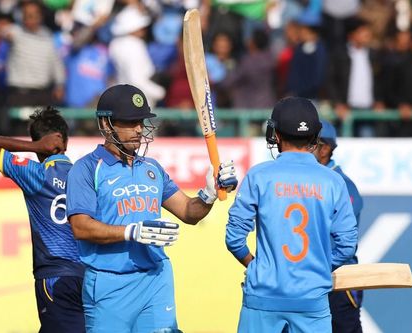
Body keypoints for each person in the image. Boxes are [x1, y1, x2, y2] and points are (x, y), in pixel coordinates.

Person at [66, 84, 238, 332]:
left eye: (140, 121)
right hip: (109, 283)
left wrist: (208, 194)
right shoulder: (86, 169)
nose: (138, 129)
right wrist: (131, 232)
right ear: (106, 124)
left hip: (156, 279)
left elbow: (189, 212)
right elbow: (81, 227)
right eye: (129, 122)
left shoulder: (152, 168)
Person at [225, 97, 358, 333]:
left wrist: (256, 266)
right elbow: (347, 246)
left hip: (263, 296)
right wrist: (319, 268)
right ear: (315, 136)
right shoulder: (333, 181)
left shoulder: (259, 176)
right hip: (312, 299)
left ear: (274, 135)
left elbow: (234, 238)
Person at [0, 107, 85, 333]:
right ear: (66, 142)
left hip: (55, 278)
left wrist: (34, 147)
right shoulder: (86, 176)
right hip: (90, 278)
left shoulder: (36, 175)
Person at [313, 120, 364, 333]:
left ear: (325, 149)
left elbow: (343, 239)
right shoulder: (307, 180)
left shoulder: (341, 184)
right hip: (311, 280)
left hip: (339, 283)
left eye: (309, 143)